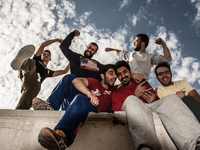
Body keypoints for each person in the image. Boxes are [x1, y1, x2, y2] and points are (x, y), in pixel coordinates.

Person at [111, 60, 200, 150]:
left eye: (125, 72)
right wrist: (135, 95)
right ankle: (147, 148)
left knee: (172, 98)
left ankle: (195, 144)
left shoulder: (143, 83)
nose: (123, 76)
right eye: (119, 74)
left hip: (151, 107)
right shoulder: (116, 92)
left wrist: (154, 99)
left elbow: (158, 103)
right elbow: (118, 112)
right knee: (131, 99)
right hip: (135, 108)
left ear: (130, 72)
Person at [37, 64, 117, 150]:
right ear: (102, 75)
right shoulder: (95, 83)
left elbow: (131, 82)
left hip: (93, 111)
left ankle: (63, 135)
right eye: (111, 73)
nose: (115, 76)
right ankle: (51, 106)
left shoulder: (115, 90)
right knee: (70, 78)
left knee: (81, 98)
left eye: (116, 74)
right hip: (76, 107)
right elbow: (76, 81)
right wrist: (89, 95)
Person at [32, 29, 103, 110]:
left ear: (95, 53)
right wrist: (72, 34)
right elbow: (63, 47)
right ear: (86, 47)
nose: (90, 50)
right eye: (89, 47)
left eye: (92, 50)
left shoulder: (98, 65)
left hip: (91, 96)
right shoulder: (77, 57)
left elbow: (109, 75)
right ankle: (51, 107)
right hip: (74, 93)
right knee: (70, 77)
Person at [11, 39, 70, 109]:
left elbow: (64, 71)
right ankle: (23, 63)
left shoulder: (48, 72)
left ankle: (20, 111)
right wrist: (56, 40)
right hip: (28, 74)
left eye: (48, 55)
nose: (46, 55)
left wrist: (72, 60)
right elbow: (43, 45)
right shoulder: (37, 59)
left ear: (50, 59)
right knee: (32, 63)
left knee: (36, 88)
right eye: (44, 54)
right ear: (41, 55)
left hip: (32, 84)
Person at [105, 34, 172, 81]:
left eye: (136, 41)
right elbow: (119, 52)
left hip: (142, 83)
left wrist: (163, 44)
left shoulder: (150, 57)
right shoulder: (131, 55)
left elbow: (167, 58)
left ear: (142, 43)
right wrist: (110, 49)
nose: (134, 43)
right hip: (129, 81)